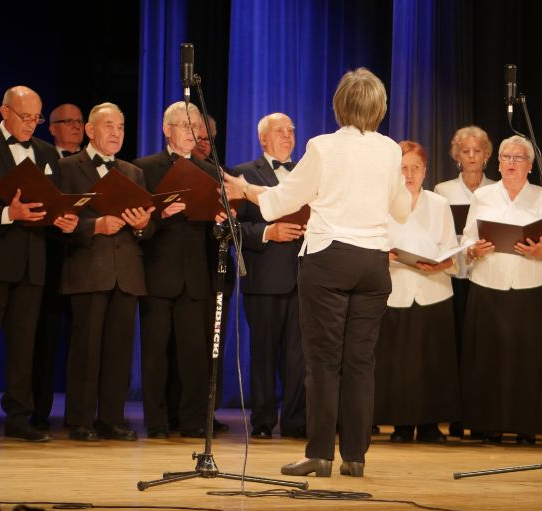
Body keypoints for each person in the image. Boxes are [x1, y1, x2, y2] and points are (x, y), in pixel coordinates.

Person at [225, 68, 410, 478]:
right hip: (373, 263)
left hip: (329, 260)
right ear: (379, 107)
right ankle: (356, 457)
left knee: (324, 361)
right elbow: (401, 210)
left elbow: (279, 202)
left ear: (340, 105)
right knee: (361, 362)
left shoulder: (323, 147)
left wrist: (245, 189)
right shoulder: (390, 151)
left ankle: (321, 454)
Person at [0, 85, 78, 443]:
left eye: (36, 118)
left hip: (31, 262)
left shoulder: (44, 151)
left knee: (25, 345)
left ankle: (19, 417)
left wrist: (62, 221)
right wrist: (11, 213)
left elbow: (51, 203)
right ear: (4, 111)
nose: (31, 124)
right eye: (25, 117)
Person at [59, 103, 153, 441]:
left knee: (119, 349)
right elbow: (57, 222)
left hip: (126, 270)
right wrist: (94, 225)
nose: (116, 133)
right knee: (86, 347)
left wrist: (144, 225)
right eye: (109, 126)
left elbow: (147, 227)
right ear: (90, 130)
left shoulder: (133, 172)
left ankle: (112, 418)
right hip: (88, 267)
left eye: (121, 127)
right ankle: (80, 419)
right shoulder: (67, 168)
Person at [460, 135, 542, 445]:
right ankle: (489, 425)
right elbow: (466, 239)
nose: (511, 163)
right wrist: (473, 250)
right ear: (498, 163)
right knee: (490, 360)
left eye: (518, 158)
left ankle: (526, 426)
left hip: (531, 285)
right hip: (489, 284)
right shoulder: (484, 196)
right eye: (506, 157)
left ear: (530, 166)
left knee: (527, 359)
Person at [134, 101, 216, 439]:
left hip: (195, 276)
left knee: (194, 355)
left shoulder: (209, 171)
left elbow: (214, 229)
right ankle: (155, 421)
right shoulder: (143, 168)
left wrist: (221, 218)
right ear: (167, 130)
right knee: (155, 355)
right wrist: (159, 215)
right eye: (184, 125)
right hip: (157, 272)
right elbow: (139, 224)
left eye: (195, 126)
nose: (192, 132)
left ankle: (192, 420)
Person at [374, 140, 459, 444]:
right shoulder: (381, 203)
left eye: (415, 168)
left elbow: (452, 249)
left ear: (425, 171)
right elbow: (372, 245)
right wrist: (381, 257)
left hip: (433, 289)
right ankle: (399, 424)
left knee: (432, 360)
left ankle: (429, 424)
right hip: (395, 290)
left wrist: (443, 264)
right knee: (396, 361)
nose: (409, 175)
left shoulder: (439, 204)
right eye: (403, 168)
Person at [231, 113, 307, 439]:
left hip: (304, 278)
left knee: (298, 359)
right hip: (263, 280)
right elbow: (233, 228)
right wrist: (268, 233)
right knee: (262, 356)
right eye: (280, 131)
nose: (288, 136)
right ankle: (262, 422)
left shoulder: (307, 173)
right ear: (263, 139)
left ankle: (296, 423)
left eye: (292, 130)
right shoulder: (243, 175)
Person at [433, 125, 496, 439]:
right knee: (457, 347)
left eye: (477, 151)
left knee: (482, 349)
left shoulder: (497, 189)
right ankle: (457, 417)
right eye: (465, 152)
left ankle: (482, 413)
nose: (472, 157)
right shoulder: (444, 191)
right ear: (456, 157)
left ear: (487, 155)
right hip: (455, 274)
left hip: (486, 276)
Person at [31, 102, 86, 431]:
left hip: (83, 259)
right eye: (67, 122)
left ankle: (80, 415)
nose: (75, 127)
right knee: (44, 341)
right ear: (50, 127)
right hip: (50, 260)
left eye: (80, 121)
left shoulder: (93, 164)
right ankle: (39, 412)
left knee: (83, 342)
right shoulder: (41, 158)